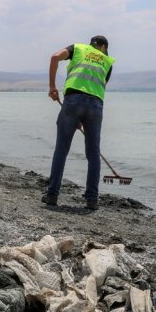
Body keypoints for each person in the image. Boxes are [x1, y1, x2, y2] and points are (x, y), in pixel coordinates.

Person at [42, 35, 115, 211]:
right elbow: (100, 85)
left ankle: (52, 195)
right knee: (93, 154)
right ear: (103, 47)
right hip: (95, 107)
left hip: (73, 102)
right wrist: (84, 117)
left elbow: (54, 57)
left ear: (91, 44)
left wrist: (52, 86)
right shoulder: (107, 61)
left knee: (62, 150)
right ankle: (92, 200)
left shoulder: (78, 48)